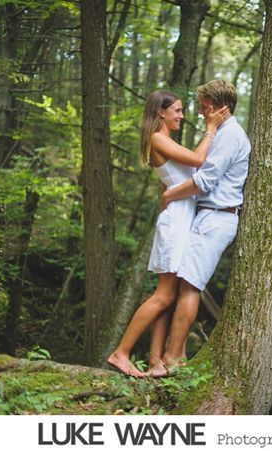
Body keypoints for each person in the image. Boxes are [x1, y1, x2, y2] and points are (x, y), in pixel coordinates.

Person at [106, 89, 229, 377]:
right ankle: (120, 353)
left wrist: (168, 195)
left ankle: (155, 361)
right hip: (175, 223)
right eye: (177, 110)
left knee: (168, 294)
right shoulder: (157, 138)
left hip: (180, 218)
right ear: (161, 112)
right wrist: (211, 129)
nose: (182, 115)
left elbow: (170, 182)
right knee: (163, 295)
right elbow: (199, 161)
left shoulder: (164, 140)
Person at [159, 80, 250, 369]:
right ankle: (178, 355)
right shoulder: (221, 133)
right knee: (184, 283)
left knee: (189, 287)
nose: (200, 112)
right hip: (207, 215)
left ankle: (172, 358)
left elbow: (205, 180)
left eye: (205, 106)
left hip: (217, 217)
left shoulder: (230, 135)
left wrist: (171, 193)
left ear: (222, 107)